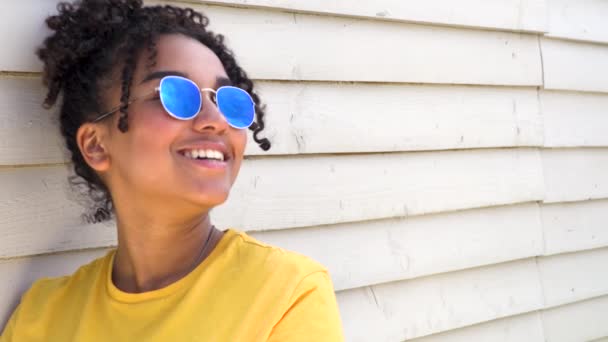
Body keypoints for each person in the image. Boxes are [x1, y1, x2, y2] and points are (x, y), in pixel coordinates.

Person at [0, 0, 344, 340]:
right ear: (96, 145)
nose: (215, 121)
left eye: (229, 100)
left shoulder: (285, 294)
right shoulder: (42, 315)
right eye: (175, 95)